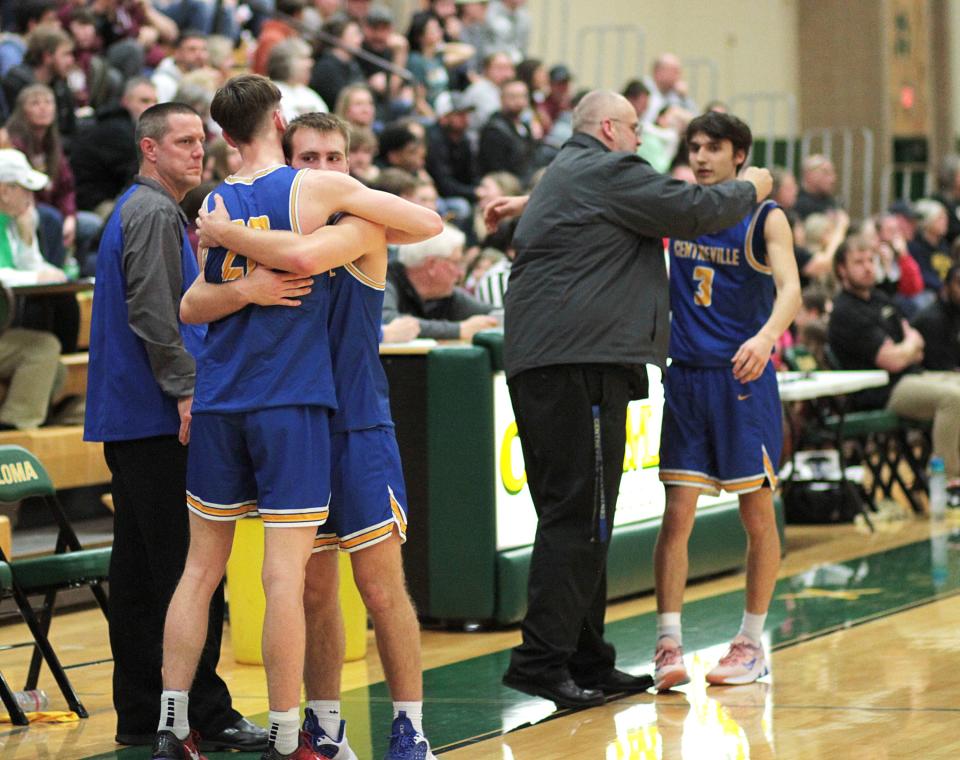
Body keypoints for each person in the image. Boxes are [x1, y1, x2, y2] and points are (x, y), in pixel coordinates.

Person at [152, 74, 440, 760]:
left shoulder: (356, 223)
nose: (319, 170)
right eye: (308, 159)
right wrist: (247, 278)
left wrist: (229, 239)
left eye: (333, 161)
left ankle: (409, 727)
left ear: (349, 168)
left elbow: (328, 250)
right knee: (306, 587)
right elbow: (192, 304)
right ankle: (318, 728)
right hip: (293, 411)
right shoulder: (285, 202)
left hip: (351, 419)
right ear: (283, 138)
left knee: (377, 585)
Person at [484, 90, 771, 709]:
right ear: (610, 129)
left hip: (562, 363)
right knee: (578, 518)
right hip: (574, 364)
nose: (644, 141)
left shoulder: (569, 170)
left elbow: (596, 210)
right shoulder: (607, 168)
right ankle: (541, 663)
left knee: (588, 518)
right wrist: (755, 186)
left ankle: (589, 659)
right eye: (637, 129)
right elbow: (691, 209)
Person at [83, 102, 268, 755]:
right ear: (149, 148)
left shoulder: (139, 211)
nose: (199, 152)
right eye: (184, 141)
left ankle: (141, 714)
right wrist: (187, 391)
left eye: (201, 140)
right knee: (189, 570)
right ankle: (206, 712)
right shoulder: (156, 213)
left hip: (128, 418)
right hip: (160, 416)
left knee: (137, 576)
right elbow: (158, 316)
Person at [652, 111, 800, 691]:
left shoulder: (766, 217)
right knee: (676, 515)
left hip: (742, 378)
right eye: (694, 147)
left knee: (756, 515)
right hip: (688, 377)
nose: (701, 157)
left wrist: (766, 338)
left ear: (740, 155)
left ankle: (751, 641)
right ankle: (668, 643)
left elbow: (790, 289)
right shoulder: (679, 209)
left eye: (713, 147)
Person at [828, 236, 960, 503]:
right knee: (953, 398)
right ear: (841, 269)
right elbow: (892, 360)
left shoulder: (880, 299)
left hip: (910, 377)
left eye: (870, 261)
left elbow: (917, 344)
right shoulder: (846, 311)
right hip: (881, 391)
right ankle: (946, 483)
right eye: (858, 262)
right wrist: (907, 347)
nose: (867, 267)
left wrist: (906, 347)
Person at [384, 224, 497, 340]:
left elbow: (495, 314)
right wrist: (458, 330)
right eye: (456, 263)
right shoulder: (385, 281)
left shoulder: (445, 294)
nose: (460, 273)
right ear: (432, 265)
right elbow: (386, 321)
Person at [912, 263, 960, 371]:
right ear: (946, 287)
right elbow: (942, 368)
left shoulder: (956, 313)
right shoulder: (932, 320)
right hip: (927, 376)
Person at [794, 154, 839, 219]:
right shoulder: (795, 201)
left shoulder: (829, 200)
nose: (833, 179)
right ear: (809, 174)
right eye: (826, 173)